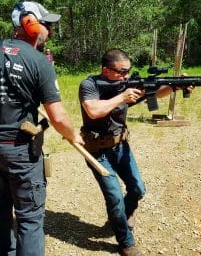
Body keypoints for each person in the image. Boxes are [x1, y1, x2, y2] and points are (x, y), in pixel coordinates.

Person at [0, 1, 84, 256]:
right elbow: (58, 116)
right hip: (19, 151)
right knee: (29, 217)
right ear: (30, 24)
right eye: (46, 25)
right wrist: (74, 135)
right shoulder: (39, 62)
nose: (49, 30)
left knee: (1, 206)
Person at [79, 49, 192, 256]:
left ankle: (124, 213)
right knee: (114, 197)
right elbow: (93, 110)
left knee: (138, 189)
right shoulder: (90, 85)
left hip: (121, 146)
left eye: (129, 71)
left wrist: (175, 85)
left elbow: (156, 92)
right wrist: (122, 97)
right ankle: (126, 242)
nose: (126, 76)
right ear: (106, 70)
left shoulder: (126, 85)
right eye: (121, 72)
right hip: (97, 151)